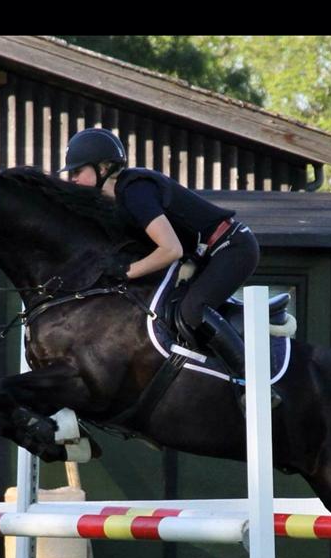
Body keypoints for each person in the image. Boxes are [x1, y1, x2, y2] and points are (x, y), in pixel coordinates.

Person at [60, 127, 278, 406]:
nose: (73, 178)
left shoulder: (135, 192)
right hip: (208, 254)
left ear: (103, 168)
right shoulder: (118, 200)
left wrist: (127, 272)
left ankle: (254, 383)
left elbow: (171, 249)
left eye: (78, 171)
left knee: (191, 312)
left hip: (233, 247)